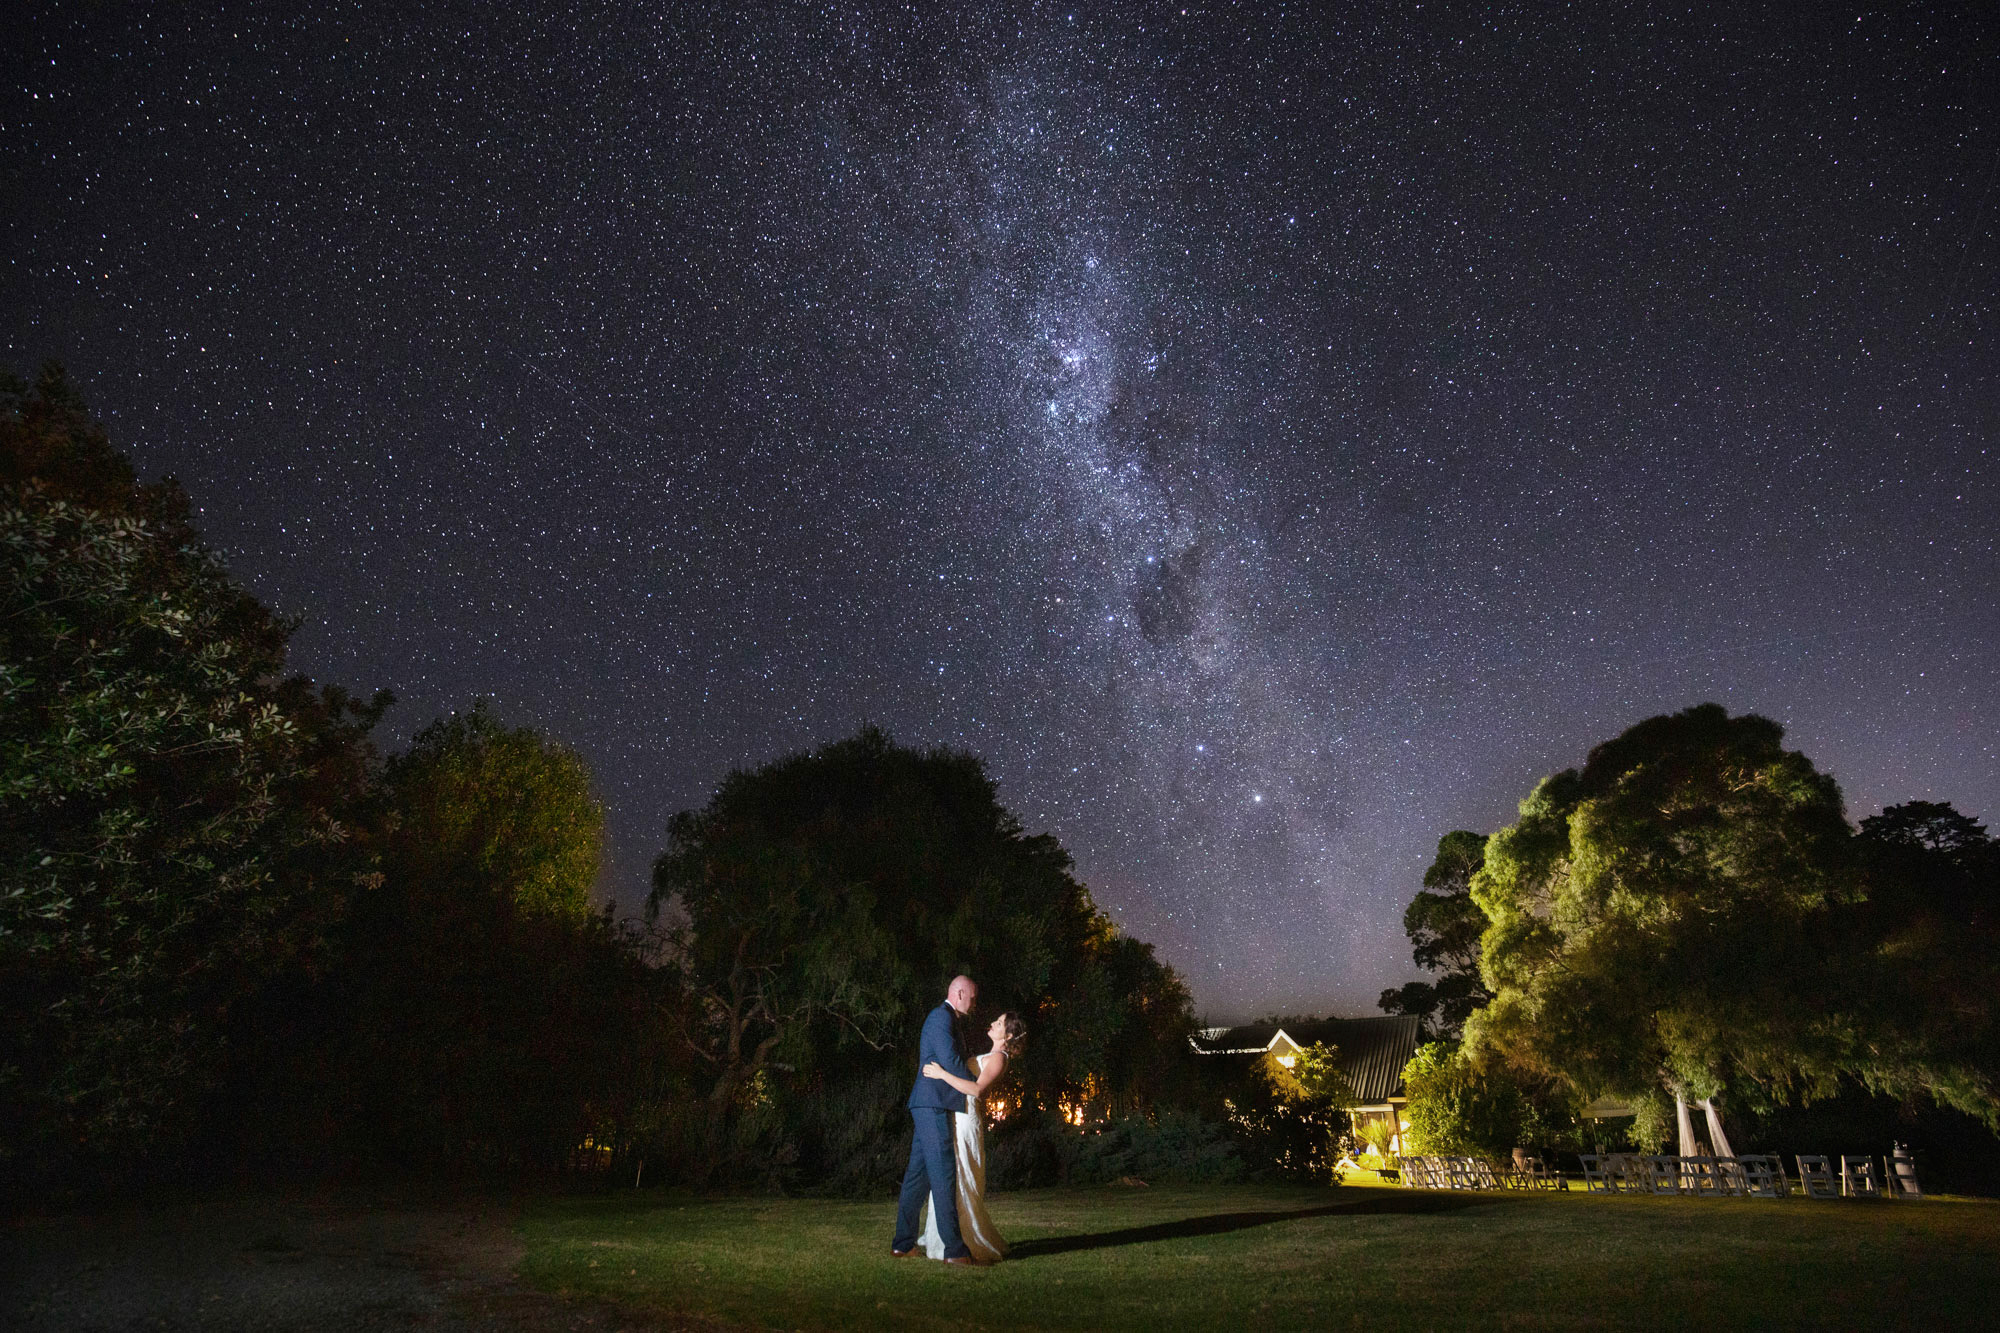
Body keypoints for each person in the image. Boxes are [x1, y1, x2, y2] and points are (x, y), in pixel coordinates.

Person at [918, 1011, 1026, 1264]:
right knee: (948, 1173)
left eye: (998, 1023)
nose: (992, 1023)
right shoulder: (989, 1054)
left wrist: (942, 1075)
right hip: (956, 1114)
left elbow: (977, 1090)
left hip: (967, 1118)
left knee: (962, 1175)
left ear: (1008, 1035)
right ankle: (944, 1237)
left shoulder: (999, 1058)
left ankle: (966, 1240)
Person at [891, 975, 979, 1264]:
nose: (974, 1002)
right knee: (943, 1175)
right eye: (973, 997)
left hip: (929, 1104)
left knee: (918, 1176)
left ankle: (903, 1244)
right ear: (960, 993)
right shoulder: (940, 1018)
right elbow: (951, 1061)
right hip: (932, 1104)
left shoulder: (948, 1019)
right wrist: (977, 1084)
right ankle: (954, 1251)